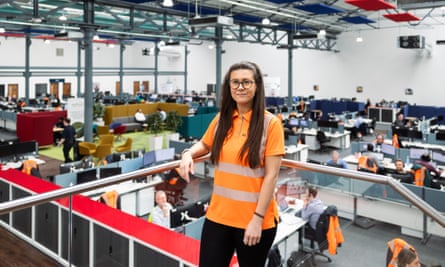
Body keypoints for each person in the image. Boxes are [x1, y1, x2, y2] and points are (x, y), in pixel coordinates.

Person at [178, 61, 285, 267]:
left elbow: (271, 176)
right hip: (219, 215)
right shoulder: (222, 120)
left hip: (254, 220)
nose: (240, 87)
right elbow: (204, 143)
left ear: (257, 86)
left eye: (246, 82)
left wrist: (257, 219)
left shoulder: (270, 124)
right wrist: (187, 153)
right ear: (229, 87)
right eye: (235, 82)